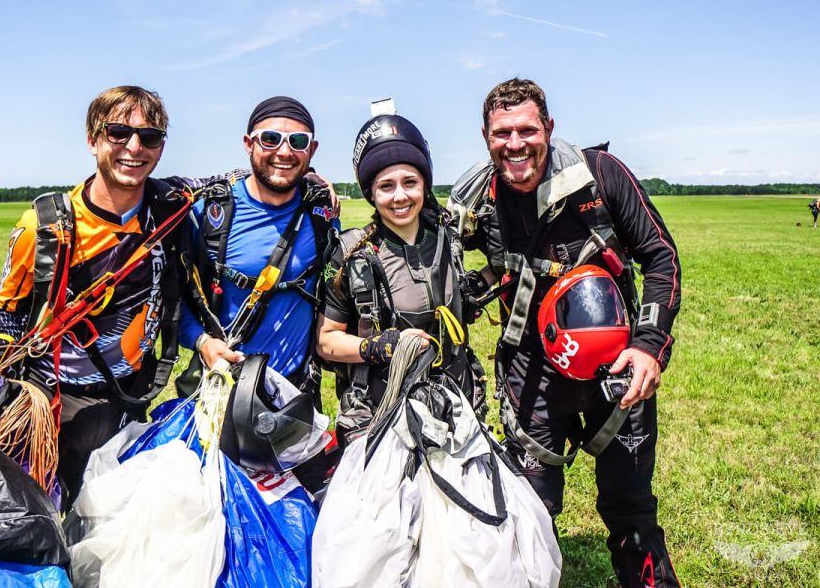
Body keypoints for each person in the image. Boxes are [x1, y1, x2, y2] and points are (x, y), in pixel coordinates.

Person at [466, 78, 682, 587]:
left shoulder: (599, 176)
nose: (514, 144)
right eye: (502, 133)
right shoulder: (475, 198)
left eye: (526, 129)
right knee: (528, 506)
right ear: (485, 136)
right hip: (531, 371)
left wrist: (650, 348)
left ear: (548, 128)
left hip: (616, 367)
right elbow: (420, 238)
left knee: (631, 506)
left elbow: (660, 256)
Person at [0, 86, 206, 509]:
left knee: (109, 523)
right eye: (118, 133)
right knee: (36, 521)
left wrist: (309, 179)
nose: (134, 148)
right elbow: (7, 314)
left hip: (127, 398)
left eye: (150, 137)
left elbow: (231, 179)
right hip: (51, 401)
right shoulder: (45, 229)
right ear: (92, 140)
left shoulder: (170, 205)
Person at [177, 96, 337, 466]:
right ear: (248, 144)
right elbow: (178, 302)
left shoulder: (321, 214)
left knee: (302, 514)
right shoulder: (210, 213)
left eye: (297, 142)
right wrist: (203, 343)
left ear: (311, 150)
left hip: (295, 397)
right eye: (270, 139)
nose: (283, 151)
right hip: (221, 396)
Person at [317, 112, 484, 447]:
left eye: (410, 182)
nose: (400, 197)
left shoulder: (448, 241)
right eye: (385, 186)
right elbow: (326, 342)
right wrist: (376, 347)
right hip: (381, 417)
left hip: (456, 409)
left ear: (425, 184)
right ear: (370, 193)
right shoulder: (350, 255)